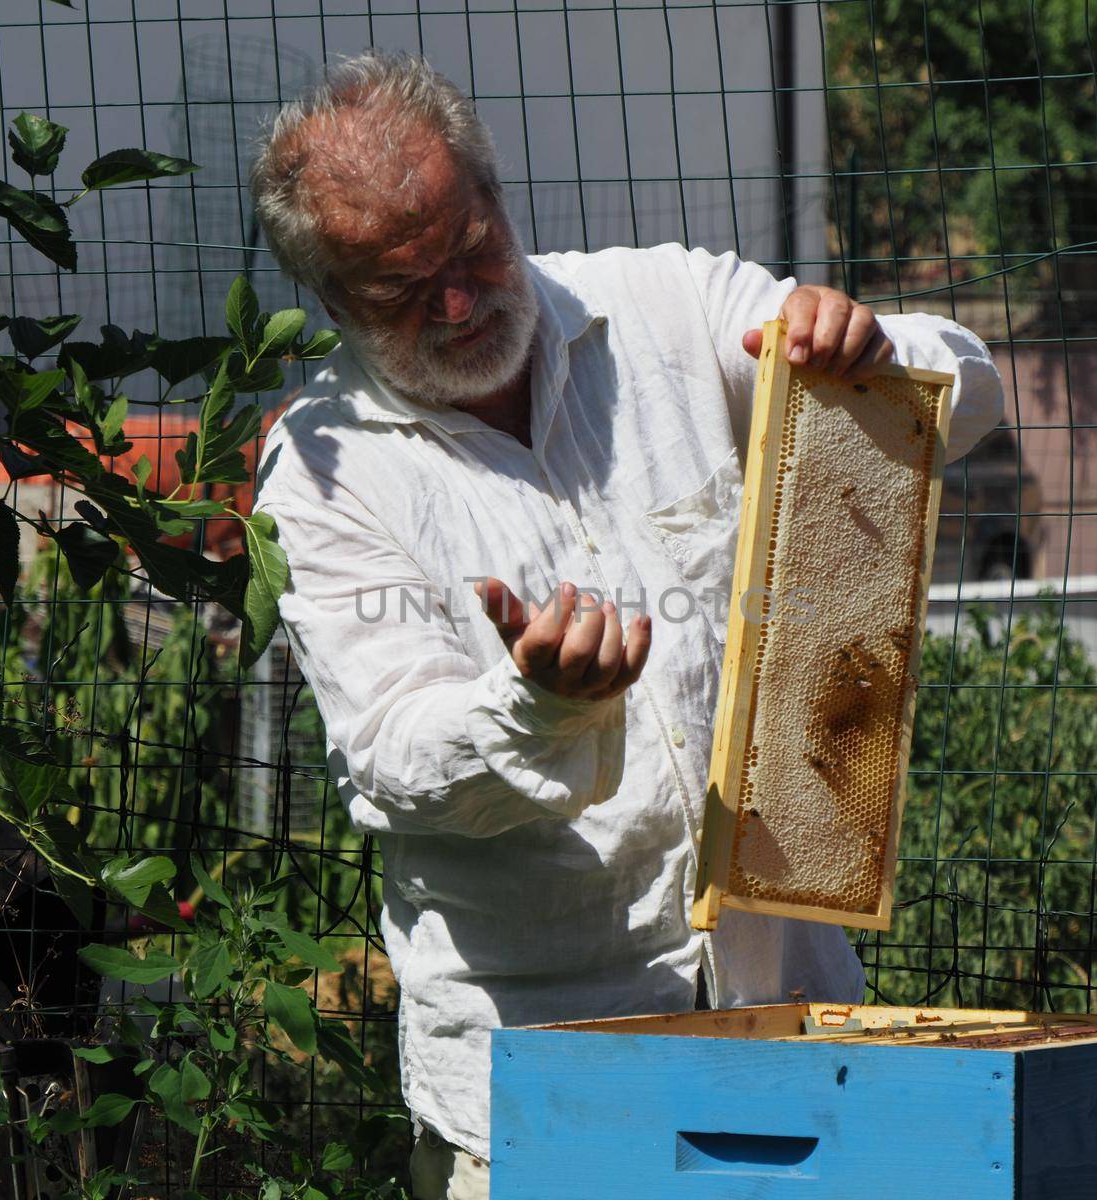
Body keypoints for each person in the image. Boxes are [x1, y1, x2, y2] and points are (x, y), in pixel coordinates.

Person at [250, 50, 1003, 1200]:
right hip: (544, 1074)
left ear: (496, 195)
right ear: (330, 299)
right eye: (401, 291)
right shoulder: (322, 472)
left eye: (468, 250)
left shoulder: (667, 303)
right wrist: (536, 708)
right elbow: (399, 763)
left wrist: (866, 351)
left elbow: (950, 399)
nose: (455, 302)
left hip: (790, 1015)